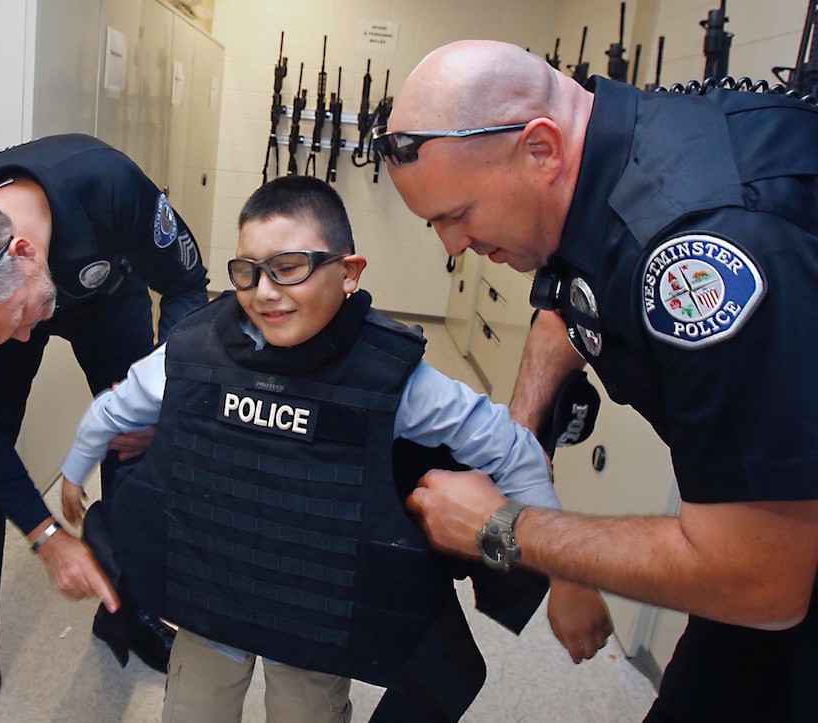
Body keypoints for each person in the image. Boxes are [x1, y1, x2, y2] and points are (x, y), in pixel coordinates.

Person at [60, 175, 612, 722]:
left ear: (348, 272)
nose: (265, 291)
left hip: (316, 619)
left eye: (290, 267)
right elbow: (115, 407)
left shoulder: (392, 379)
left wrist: (568, 574)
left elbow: (511, 450)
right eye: (247, 272)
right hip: (214, 600)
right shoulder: (196, 350)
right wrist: (73, 472)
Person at [381, 39, 818, 722]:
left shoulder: (697, 249)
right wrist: (514, 440)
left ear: (540, 149)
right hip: (766, 529)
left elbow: (765, 579)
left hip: (780, 555)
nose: (452, 246)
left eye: (457, 214)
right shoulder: (603, 163)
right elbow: (572, 306)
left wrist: (504, 525)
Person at [0, 134, 208, 723]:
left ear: (25, 251)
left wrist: (159, 393)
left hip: (104, 291)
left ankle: (129, 604)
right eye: (6, 333)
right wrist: (46, 535)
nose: (23, 342)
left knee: (134, 440)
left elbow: (189, 285)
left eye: (20, 324)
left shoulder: (110, 184)